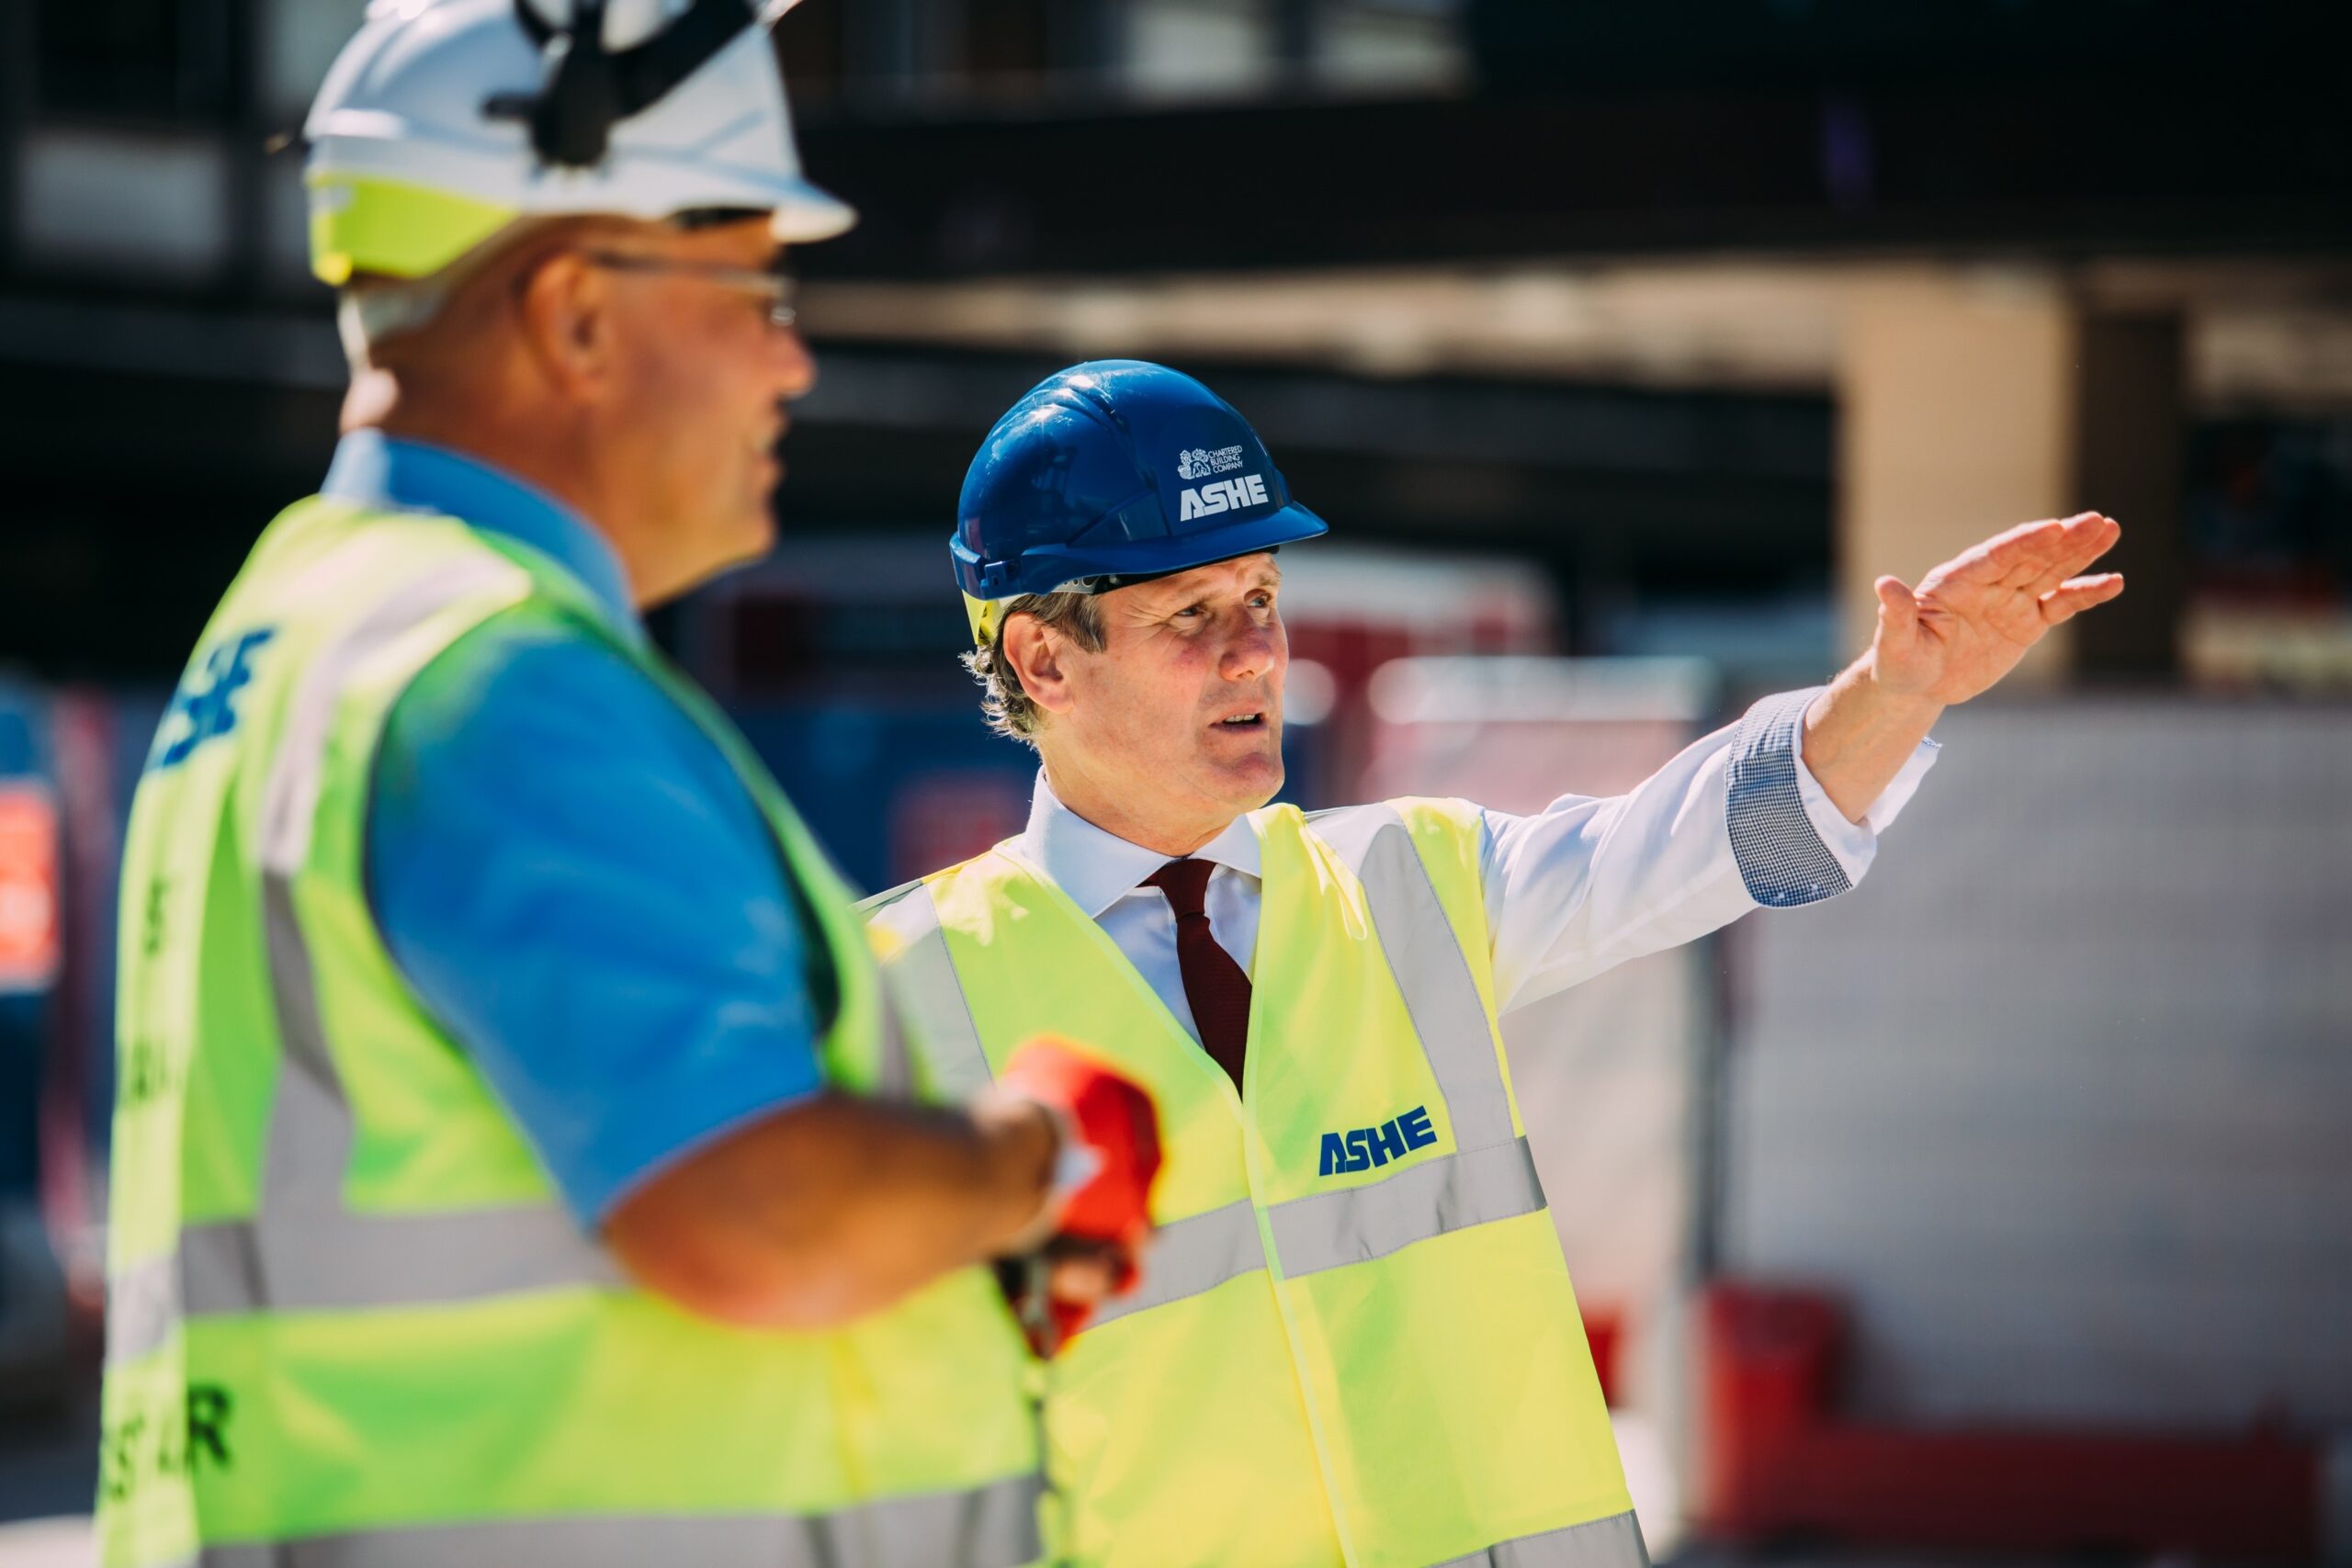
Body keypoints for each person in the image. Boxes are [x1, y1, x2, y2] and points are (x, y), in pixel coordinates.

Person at [96, 8, 1160, 1567]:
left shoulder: (302, 630)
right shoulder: (503, 681)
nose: (791, 358)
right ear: (577, 316)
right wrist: (1023, 1159)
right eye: (757, 289)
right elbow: (754, 1217)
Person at [865, 359, 2126, 1568]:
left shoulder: (1406, 888)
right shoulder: (897, 999)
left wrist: (1896, 695)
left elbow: (1689, 845)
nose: (1255, 652)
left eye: (1261, 597)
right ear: (1043, 659)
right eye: (1192, 615)